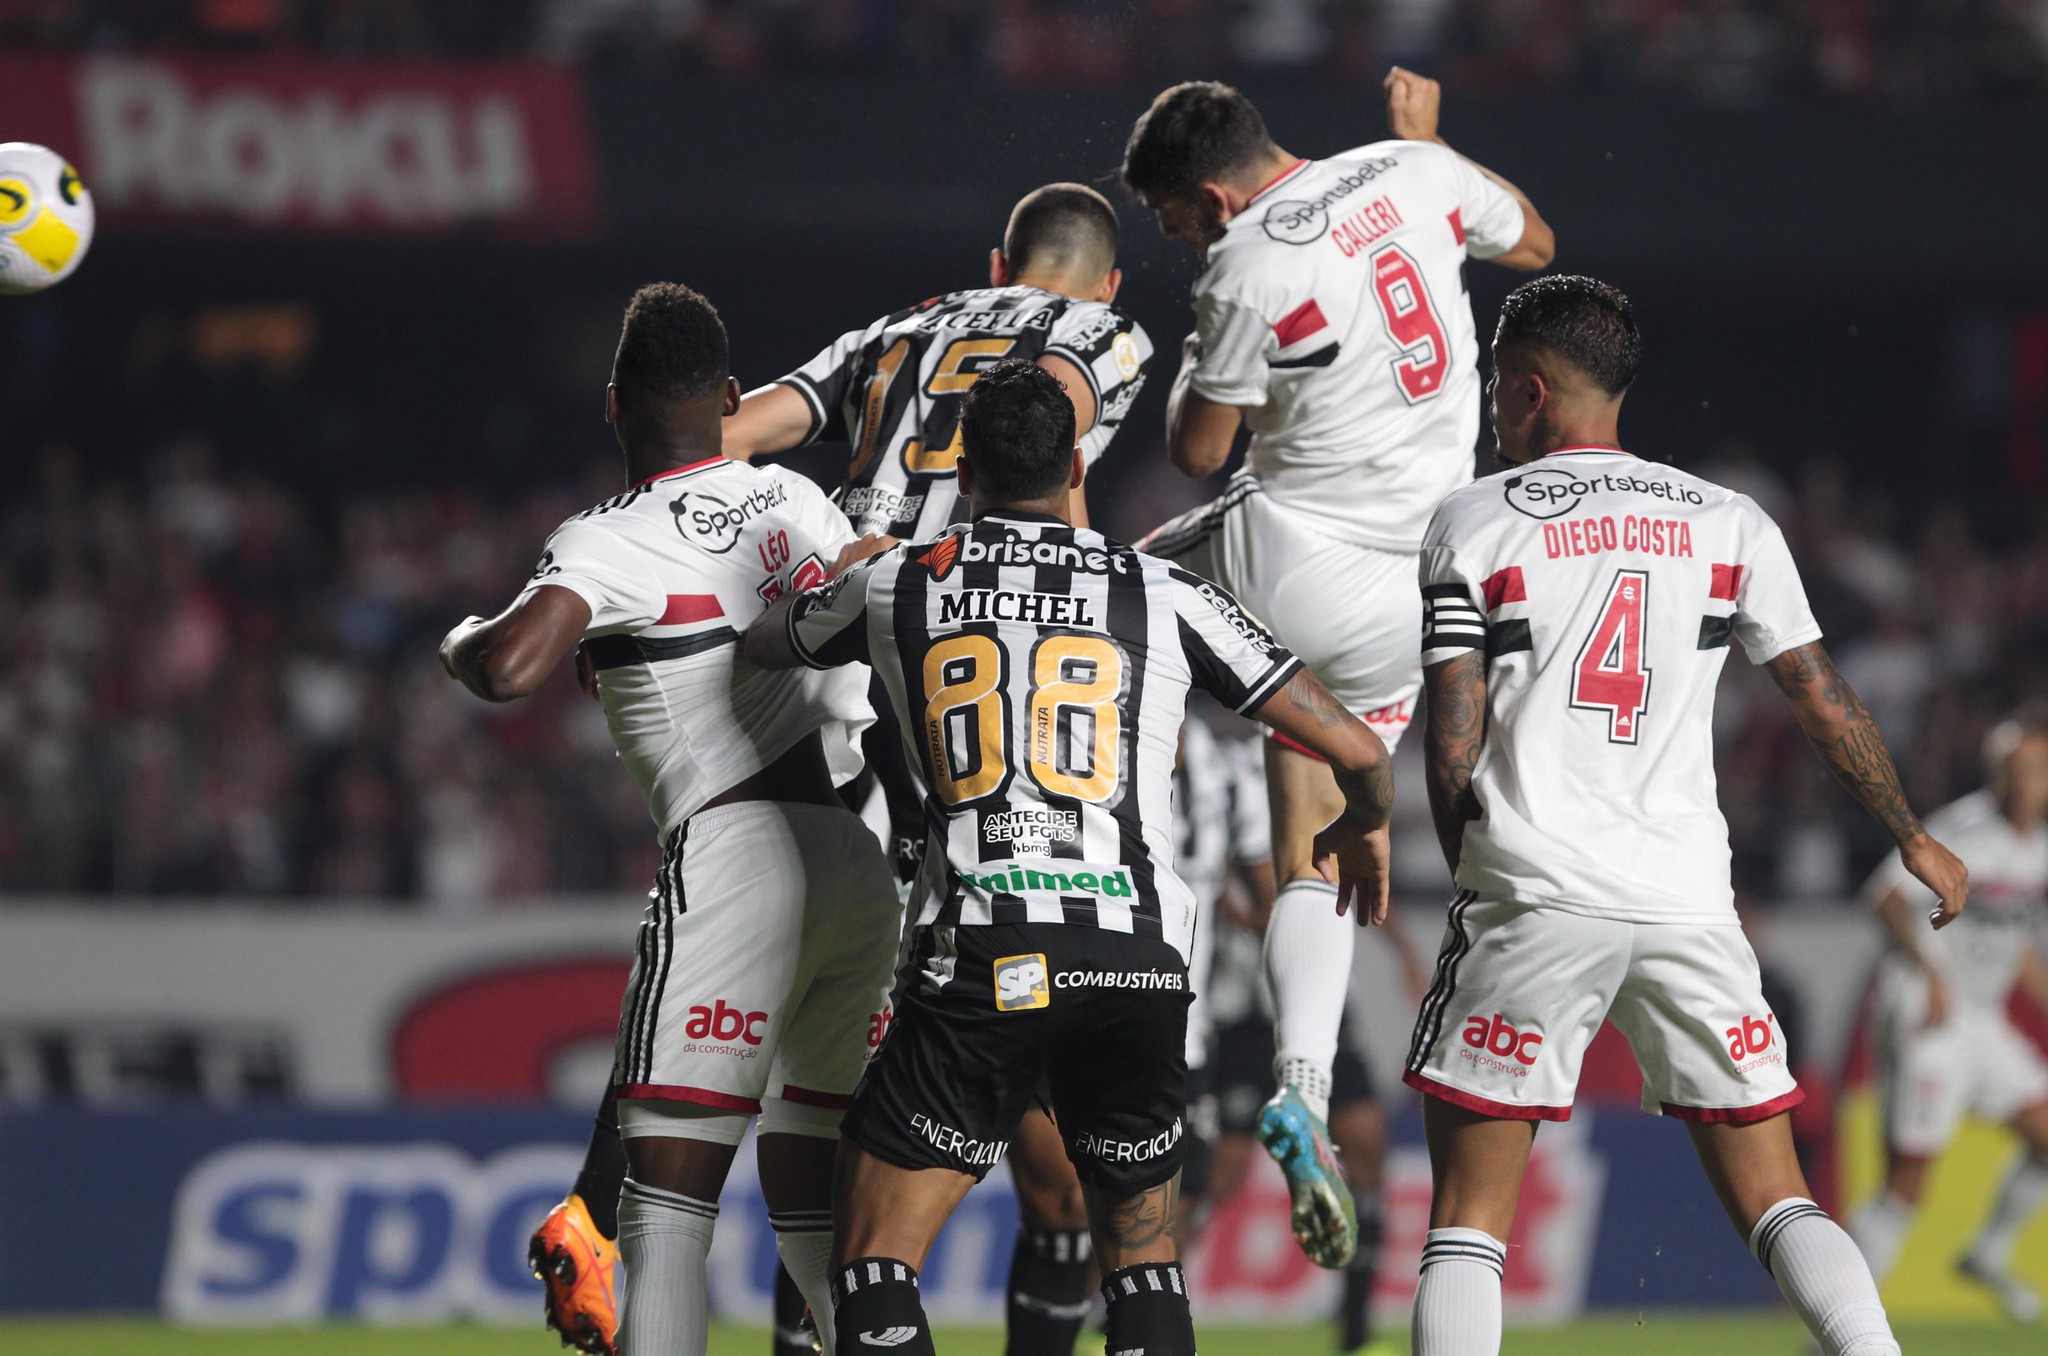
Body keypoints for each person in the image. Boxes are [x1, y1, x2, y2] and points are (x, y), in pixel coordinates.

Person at [531, 183, 1154, 1356]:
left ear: (993, 259)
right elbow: (1042, 429)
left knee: (736, 943)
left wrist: (644, 574)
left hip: (827, 636)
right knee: (867, 1050)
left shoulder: (897, 326)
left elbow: (725, 435)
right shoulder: (1104, 336)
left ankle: (601, 1203)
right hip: (942, 656)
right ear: (1106, 282)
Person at [742, 358, 1396, 1356]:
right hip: (1134, 964)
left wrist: (846, 569)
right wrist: (1360, 821)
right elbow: (1352, 745)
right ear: (1075, 462)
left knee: (872, 1259)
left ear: (963, 469)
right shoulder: (1163, 588)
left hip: (978, 956)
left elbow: (765, 642)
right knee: (1139, 1260)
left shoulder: (896, 584)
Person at [1405, 274, 1968, 1356]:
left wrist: (1473, 880)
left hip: (1532, 888)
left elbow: (1450, 742)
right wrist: (1909, 834)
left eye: (1492, 384)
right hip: (1686, 901)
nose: (1488, 407)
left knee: (1467, 1224)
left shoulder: (1472, 520)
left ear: (1529, 390)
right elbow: (1818, 697)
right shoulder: (1726, 521)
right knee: (1776, 1196)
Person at [1121, 68, 1554, 1268]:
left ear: (1211, 193)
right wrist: (1430, 146)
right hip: (1420, 576)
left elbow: (1196, 446)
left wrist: (1208, 353)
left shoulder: (1243, 263)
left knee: (1096, 588)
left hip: (1290, 552)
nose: (1172, 234)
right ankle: (1300, 1087)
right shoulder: (1411, 170)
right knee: (1311, 843)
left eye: (1169, 214)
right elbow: (1535, 241)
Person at [442, 283, 902, 1356]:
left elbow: (511, 669)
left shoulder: (606, 539)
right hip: (851, 858)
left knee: (668, 1211)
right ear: (733, 396)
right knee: (815, 1207)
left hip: (735, 860)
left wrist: (463, 636)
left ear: (613, 406)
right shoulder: (796, 500)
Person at [1849, 709, 2048, 1322]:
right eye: (2016, 771)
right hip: (1926, 1012)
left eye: (2037, 771)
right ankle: (1838, 1315)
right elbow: (1883, 897)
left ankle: (1988, 1252)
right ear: (1996, 774)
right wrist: (1931, 971)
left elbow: (2015, 947)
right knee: (1906, 1179)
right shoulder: (1966, 828)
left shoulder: (2037, 850)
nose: (2025, 783)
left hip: (1981, 1021)